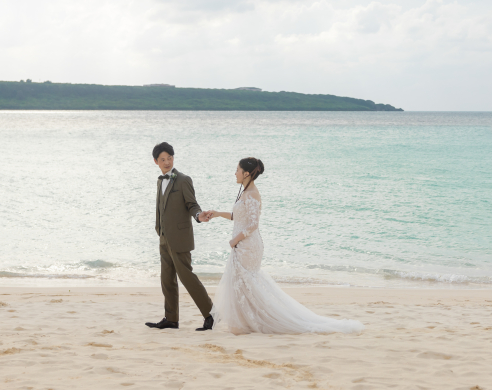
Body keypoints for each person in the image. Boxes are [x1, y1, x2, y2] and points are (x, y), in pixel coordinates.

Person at [202, 157, 364, 335]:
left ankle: (257, 321)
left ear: (246, 173)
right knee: (241, 285)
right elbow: (239, 217)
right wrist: (217, 214)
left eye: (237, 170)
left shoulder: (252, 193)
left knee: (244, 283)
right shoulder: (245, 192)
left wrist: (235, 240)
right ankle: (246, 322)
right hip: (242, 245)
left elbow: (253, 224)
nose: (235, 173)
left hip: (247, 246)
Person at [145, 142, 214, 331]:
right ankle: (171, 319)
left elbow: (192, 204)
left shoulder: (183, 180)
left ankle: (210, 314)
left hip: (180, 238)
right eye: (163, 159)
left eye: (170, 158)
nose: (167, 162)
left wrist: (198, 215)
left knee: (187, 278)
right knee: (167, 280)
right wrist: (159, 229)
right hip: (164, 237)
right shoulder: (160, 181)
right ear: (156, 161)